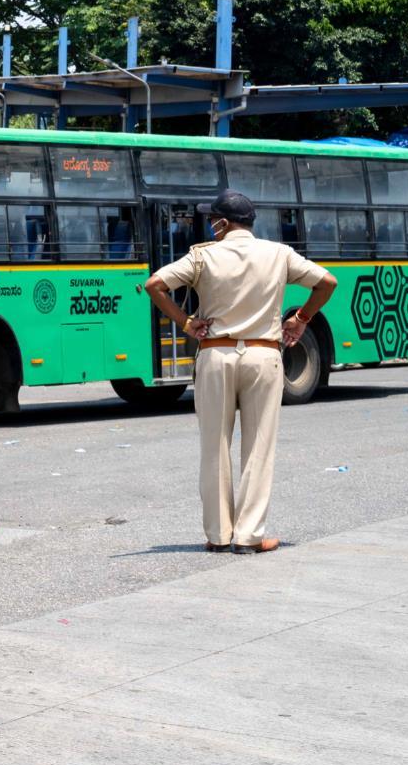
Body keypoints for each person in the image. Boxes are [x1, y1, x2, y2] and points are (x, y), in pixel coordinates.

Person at [144, 190, 337, 555]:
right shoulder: (279, 254)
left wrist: (186, 322)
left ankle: (218, 535)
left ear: (222, 223)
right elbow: (326, 283)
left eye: (212, 220)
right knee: (258, 448)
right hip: (264, 355)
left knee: (214, 445)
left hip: (215, 355)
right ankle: (249, 536)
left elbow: (155, 285)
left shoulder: (203, 257)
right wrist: (301, 318)